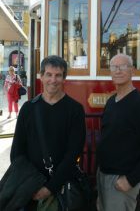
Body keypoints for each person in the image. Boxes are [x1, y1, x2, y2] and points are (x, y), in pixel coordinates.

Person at [10, 55, 86, 210]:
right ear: (41, 77)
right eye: (49, 75)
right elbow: (17, 151)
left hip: (62, 187)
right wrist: (28, 184)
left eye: (58, 75)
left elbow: (73, 153)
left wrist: (49, 188)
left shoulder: (75, 110)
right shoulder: (28, 109)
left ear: (64, 78)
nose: (53, 80)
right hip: (30, 187)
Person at [97, 54, 140, 211]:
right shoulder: (112, 101)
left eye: (123, 67)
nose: (118, 71)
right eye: (114, 67)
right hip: (104, 175)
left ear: (132, 71)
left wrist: (130, 180)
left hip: (122, 180)